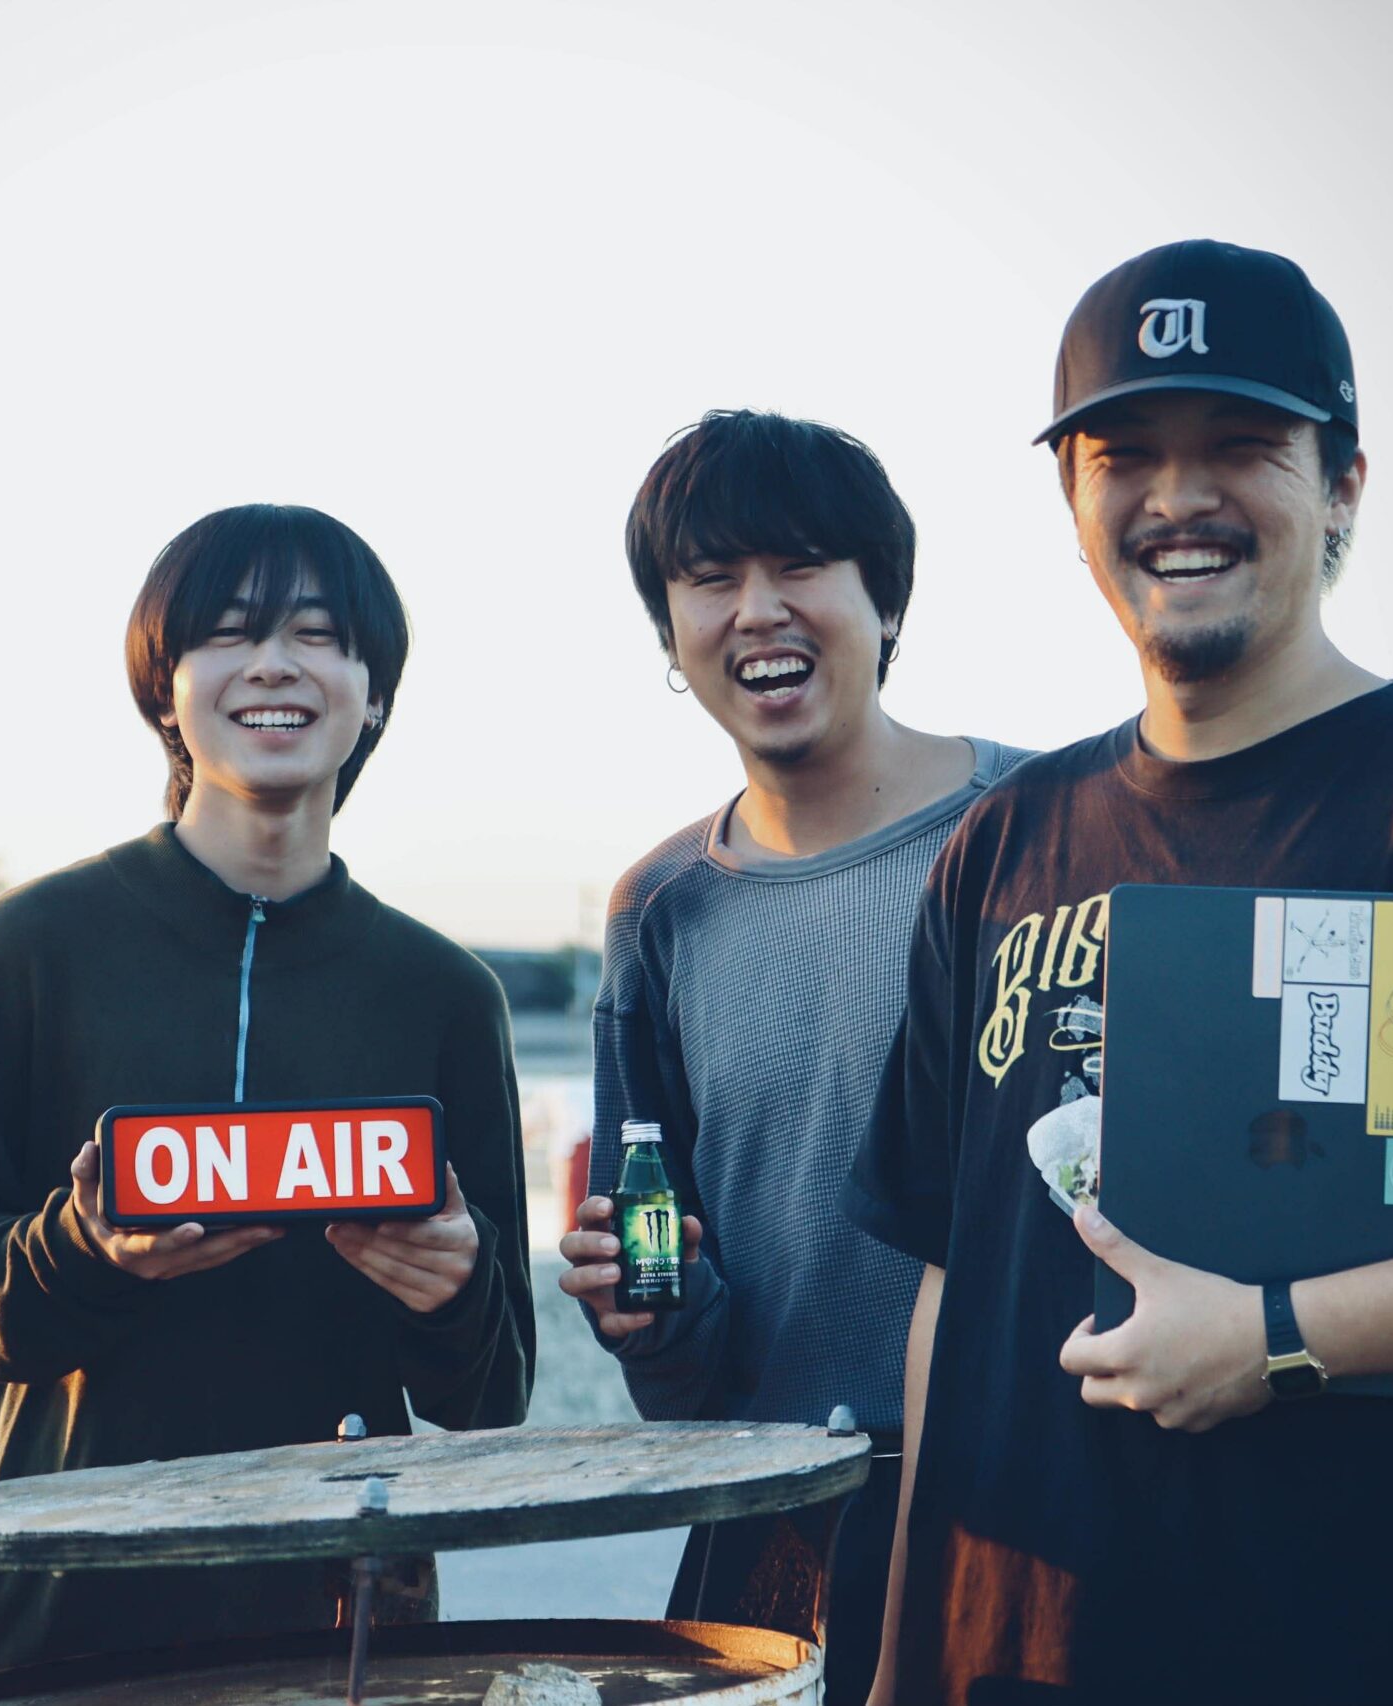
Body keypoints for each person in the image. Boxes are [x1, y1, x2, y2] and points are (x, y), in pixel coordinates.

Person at [850, 240, 1393, 1706]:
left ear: (1344, 488)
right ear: (1071, 501)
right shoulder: (1002, 841)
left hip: (1377, 1651)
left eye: (1242, 445)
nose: (1178, 495)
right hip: (1010, 1661)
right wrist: (900, 1656)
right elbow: (951, 1276)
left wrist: (1277, 1339)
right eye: (1125, 453)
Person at [0, 502, 533, 1672]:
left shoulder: (444, 990)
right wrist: (85, 1250)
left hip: (348, 1613)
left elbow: (492, 1392)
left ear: (374, 696)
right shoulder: (23, 949)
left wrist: (454, 1286)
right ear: (166, 689)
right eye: (232, 631)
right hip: (49, 1600)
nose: (275, 663)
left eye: (318, 634)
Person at [554, 408, 1027, 1706]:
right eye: (710, 578)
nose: (757, 609)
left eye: (802, 564)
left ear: (887, 597)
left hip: (1030, 1504)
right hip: (770, 1515)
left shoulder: (1043, 829)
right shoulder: (662, 907)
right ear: (670, 635)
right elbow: (685, 1374)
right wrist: (641, 1311)